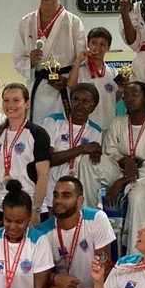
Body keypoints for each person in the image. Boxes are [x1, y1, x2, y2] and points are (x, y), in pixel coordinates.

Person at [78, 81, 145, 245]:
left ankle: (138, 251)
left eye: (134, 95)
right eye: (126, 96)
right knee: (88, 161)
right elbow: (109, 151)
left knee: (137, 197)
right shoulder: (117, 121)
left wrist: (122, 181)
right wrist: (125, 160)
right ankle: (89, 220)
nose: (129, 99)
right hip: (120, 169)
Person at [34, 176, 115, 288]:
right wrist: (55, 278)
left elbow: (104, 264)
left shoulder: (97, 218)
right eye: (56, 195)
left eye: (66, 195)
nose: (58, 200)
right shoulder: (43, 232)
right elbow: (36, 273)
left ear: (80, 200)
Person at [13, 0, 86, 121]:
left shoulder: (73, 22)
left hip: (63, 87)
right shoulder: (26, 22)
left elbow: (82, 60)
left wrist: (69, 81)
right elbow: (18, 58)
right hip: (38, 86)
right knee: (37, 128)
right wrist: (30, 62)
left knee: (63, 129)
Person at [0, 83, 50, 230]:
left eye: (16, 100)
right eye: (6, 100)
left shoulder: (37, 134)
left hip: (27, 207)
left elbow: (43, 175)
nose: (10, 105)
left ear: (27, 104)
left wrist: (36, 210)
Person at [41, 84, 104, 212]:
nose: (79, 105)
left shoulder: (96, 131)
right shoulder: (53, 121)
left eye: (85, 102)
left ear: (93, 107)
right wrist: (82, 148)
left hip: (79, 193)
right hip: (52, 189)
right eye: (75, 100)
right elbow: (48, 159)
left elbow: (92, 165)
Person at [67, 27, 118, 131]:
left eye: (102, 44)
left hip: (108, 125)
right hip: (86, 128)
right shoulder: (80, 70)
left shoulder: (113, 72)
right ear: (88, 44)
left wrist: (122, 89)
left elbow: (115, 98)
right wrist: (78, 61)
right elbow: (71, 85)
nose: (97, 47)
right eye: (94, 43)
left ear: (108, 47)